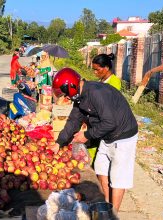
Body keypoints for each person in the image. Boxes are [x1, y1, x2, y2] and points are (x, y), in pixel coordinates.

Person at [53, 68, 138, 213]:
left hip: (123, 136)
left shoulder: (96, 93)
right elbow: (74, 120)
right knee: (100, 168)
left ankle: (113, 214)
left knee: (118, 178)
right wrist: (60, 142)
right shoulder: (80, 97)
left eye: (66, 93)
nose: (66, 97)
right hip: (107, 135)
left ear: (72, 86)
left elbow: (110, 122)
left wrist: (86, 135)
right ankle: (106, 205)